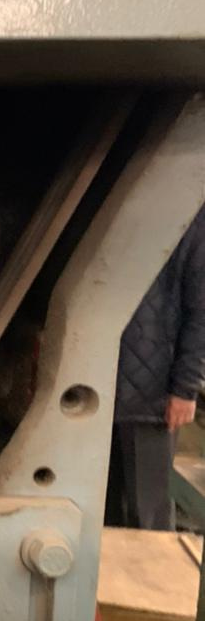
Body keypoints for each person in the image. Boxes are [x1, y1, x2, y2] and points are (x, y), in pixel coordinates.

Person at [107, 204, 205, 529]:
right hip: (104, 385)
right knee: (103, 510)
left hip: (153, 396)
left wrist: (185, 388)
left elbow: (201, 313)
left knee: (147, 511)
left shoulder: (193, 212)